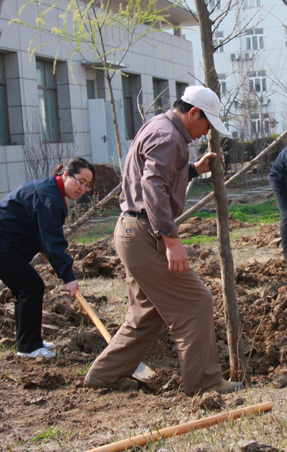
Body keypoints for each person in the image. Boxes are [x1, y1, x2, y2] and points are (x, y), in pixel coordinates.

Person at [84, 85, 243, 394]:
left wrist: (193, 169)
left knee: (147, 312)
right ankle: (204, 382)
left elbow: (157, 173)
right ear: (193, 112)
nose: (206, 132)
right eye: (207, 124)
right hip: (146, 232)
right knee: (196, 302)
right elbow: (153, 186)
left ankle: (106, 375)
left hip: (132, 230)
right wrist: (171, 240)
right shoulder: (169, 137)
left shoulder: (160, 126)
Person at [0, 157, 95, 359]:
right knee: (31, 287)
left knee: (25, 290)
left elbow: (44, 235)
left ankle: (29, 341)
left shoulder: (51, 191)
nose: (83, 188)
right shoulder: (49, 198)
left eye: (87, 185)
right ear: (65, 174)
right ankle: (29, 347)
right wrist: (68, 276)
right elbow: (52, 241)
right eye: (80, 181)